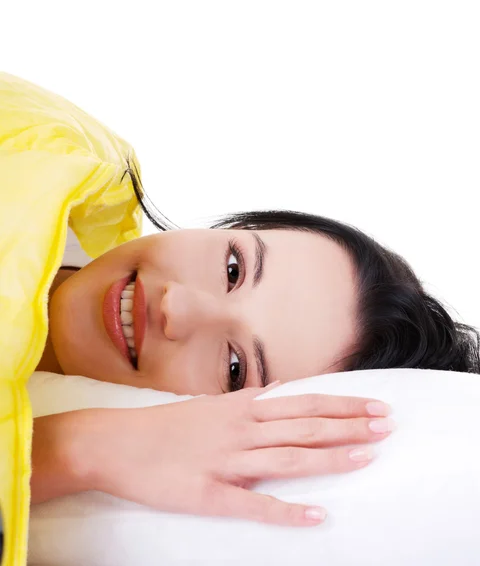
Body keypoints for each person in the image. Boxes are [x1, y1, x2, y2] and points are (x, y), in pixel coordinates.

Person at [32, 161, 480, 526]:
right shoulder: (41, 159)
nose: (178, 307)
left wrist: (79, 448)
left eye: (234, 368)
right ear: (240, 225)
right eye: (234, 269)